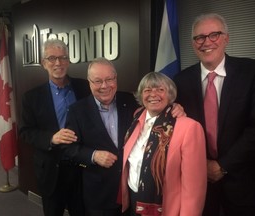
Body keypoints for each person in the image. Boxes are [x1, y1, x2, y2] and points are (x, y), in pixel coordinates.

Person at [65, 58, 185, 216]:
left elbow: (155, 108)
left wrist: (174, 106)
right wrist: (93, 155)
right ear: (89, 82)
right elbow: (68, 148)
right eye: (98, 81)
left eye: (109, 79)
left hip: (132, 192)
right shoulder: (76, 110)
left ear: (116, 78)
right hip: (99, 195)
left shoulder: (130, 101)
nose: (104, 86)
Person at [174, 13, 255, 216]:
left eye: (214, 35)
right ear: (193, 42)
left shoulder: (253, 71)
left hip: (244, 182)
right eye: (200, 37)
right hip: (199, 182)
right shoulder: (180, 80)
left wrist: (222, 166)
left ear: (226, 38)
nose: (207, 42)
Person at [19, 39, 90, 216]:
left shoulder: (85, 87)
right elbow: (25, 132)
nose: (58, 63)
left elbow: (107, 99)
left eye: (63, 57)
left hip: (81, 167)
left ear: (68, 61)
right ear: (44, 63)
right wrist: (51, 138)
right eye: (52, 58)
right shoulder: (31, 97)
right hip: (51, 169)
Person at [120, 72, 207, 216]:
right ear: (141, 95)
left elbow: (194, 188)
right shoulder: (136, 118)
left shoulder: (189, 128)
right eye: (147, 90)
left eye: (160, 89)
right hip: (133, 201)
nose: (153, 94)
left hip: (166, 208)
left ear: (171, 94)